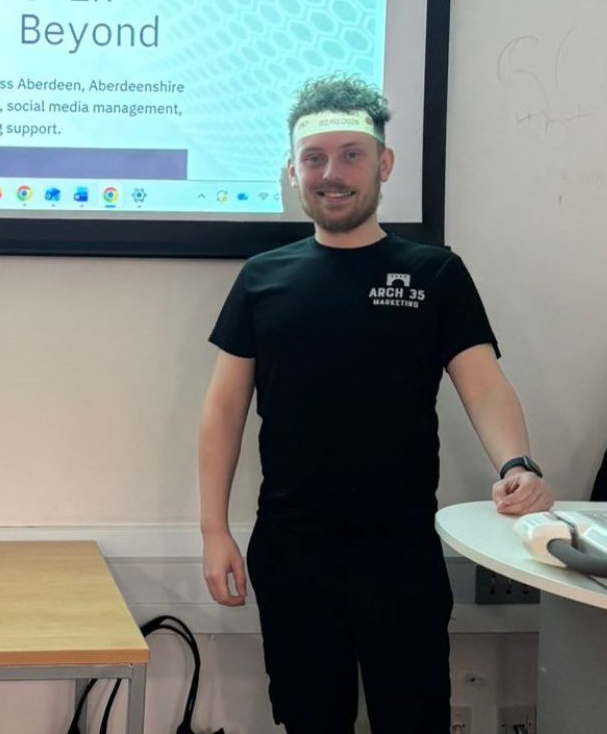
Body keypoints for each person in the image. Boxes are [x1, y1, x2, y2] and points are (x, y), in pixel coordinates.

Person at [197, 74, 554, 733]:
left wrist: (517, 463)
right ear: (293, 171)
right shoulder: (261, 279)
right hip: (292, 555)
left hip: (401, 555)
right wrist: (214, 532)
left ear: (384, 164)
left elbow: (483, 384)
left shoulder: (434, 274)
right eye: (314, 158)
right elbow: (222, 411)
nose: (331, 174)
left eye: (351, 155)